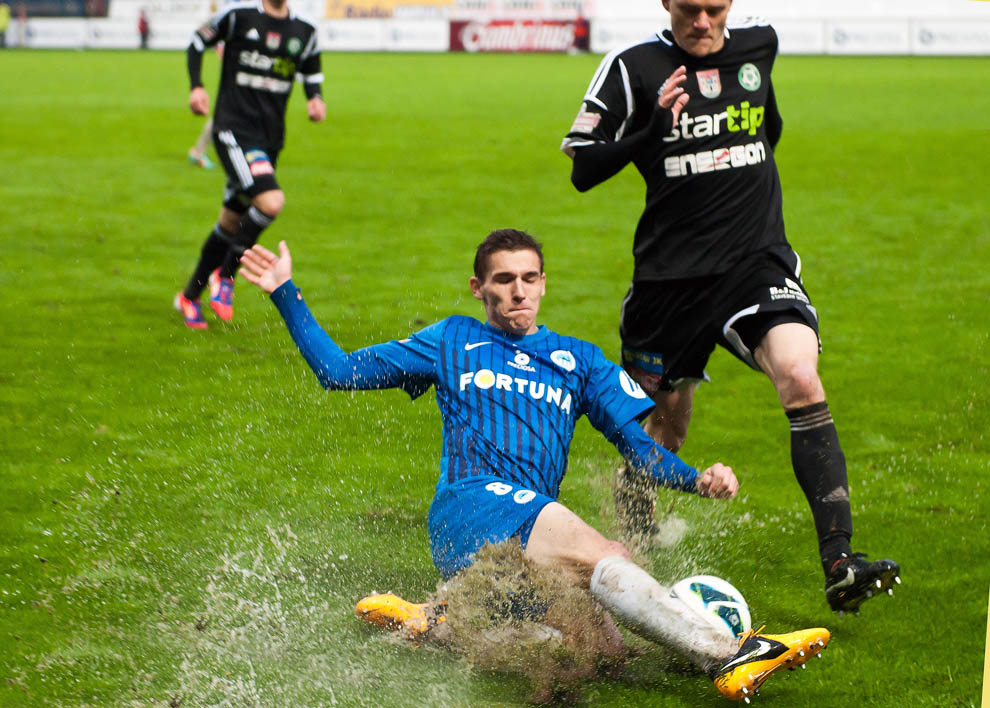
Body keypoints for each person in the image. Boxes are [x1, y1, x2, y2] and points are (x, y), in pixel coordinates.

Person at [238, 228, 830, 701]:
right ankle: (728, 654)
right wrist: (284, 291)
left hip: (527, 534)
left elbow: (639, 448)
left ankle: (435, 623)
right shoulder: (451, 340)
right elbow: (339, 372)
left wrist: (695, 479)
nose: (517, 291)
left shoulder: (578, 360)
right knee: (608, 555)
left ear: (544, 283)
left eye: (528, 278)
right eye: (503, 280)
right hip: (472, 505)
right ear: (479, 288)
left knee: (597, 656)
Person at [560, 0, 900, 614]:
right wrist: (650, 134)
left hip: (755, 263)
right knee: (663, 430)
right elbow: (583, 167)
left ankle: (840, 562)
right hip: (669, 283)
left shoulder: (758, 48)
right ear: (666, 3)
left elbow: (768, 130)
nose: (702, 22)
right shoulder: (632, 67)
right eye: (689, 9)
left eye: (714, 9)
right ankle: (634, 547)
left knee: (799, 375)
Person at [173, 0, 326, 329]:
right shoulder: (238, 16)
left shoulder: (305, 30)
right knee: (271, 202)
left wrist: (315, 97)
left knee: (230, 222)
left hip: (270, 140)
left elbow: (312, 70)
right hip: (232, 131)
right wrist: (196, 86)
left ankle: (189, 296)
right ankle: (225, 274)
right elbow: (197, 41)